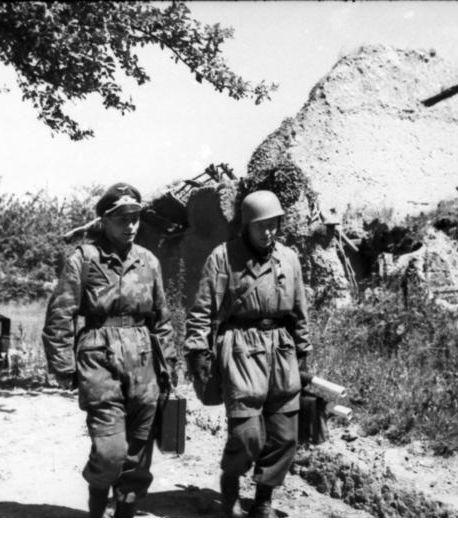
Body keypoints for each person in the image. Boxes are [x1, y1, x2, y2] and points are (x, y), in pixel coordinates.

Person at [42, 183, 178, 518]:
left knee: (139, 450)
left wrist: (170, 367)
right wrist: (63, 366)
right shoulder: (84, 259)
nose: (131, 225)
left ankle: (125, 515)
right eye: (122, 218)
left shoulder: (149, 261)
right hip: (99, 356)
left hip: (144, 357)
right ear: (105, 220)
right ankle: (98, 499)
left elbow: (161, 317)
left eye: (135, 218)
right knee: (110, 450)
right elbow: (60, 314)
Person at [185, 190, 312, 518]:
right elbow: (202, 309)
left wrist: (304, 353)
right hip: (240, 347)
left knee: (285, 435)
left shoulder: (289, 258)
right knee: (247, 436)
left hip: (281, 349)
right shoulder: (223, 257)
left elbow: (299, 311)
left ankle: (263, 500)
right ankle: (230, 483)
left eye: (274, 224)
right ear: (246, 226)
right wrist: (198, 351)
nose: (269, 232)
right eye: (261, 226)